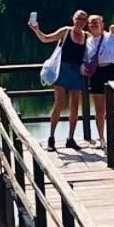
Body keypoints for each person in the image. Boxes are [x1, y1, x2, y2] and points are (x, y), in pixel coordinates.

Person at [28, 10, 89, 151]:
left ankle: (70, 138)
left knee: (74, 105)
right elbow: (45, 39)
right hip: (62, 70)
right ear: (73, 19)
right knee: (59, 103)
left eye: (83, 20)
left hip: (77, 72)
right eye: (78, 18)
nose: (80, 22)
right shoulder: (66, 31)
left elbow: (98, 47)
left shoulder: (87, 36)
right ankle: (51, 138)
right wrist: (36, 29)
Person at [84, 14, 114, 148]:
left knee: (113, 108)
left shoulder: (111, 36)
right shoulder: (88, 41)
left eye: (96, 22)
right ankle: (102, 139)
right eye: (91, 23)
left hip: (111, 71)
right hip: (96, 74)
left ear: (102, 23)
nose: (93, 25)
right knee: (99, 110)